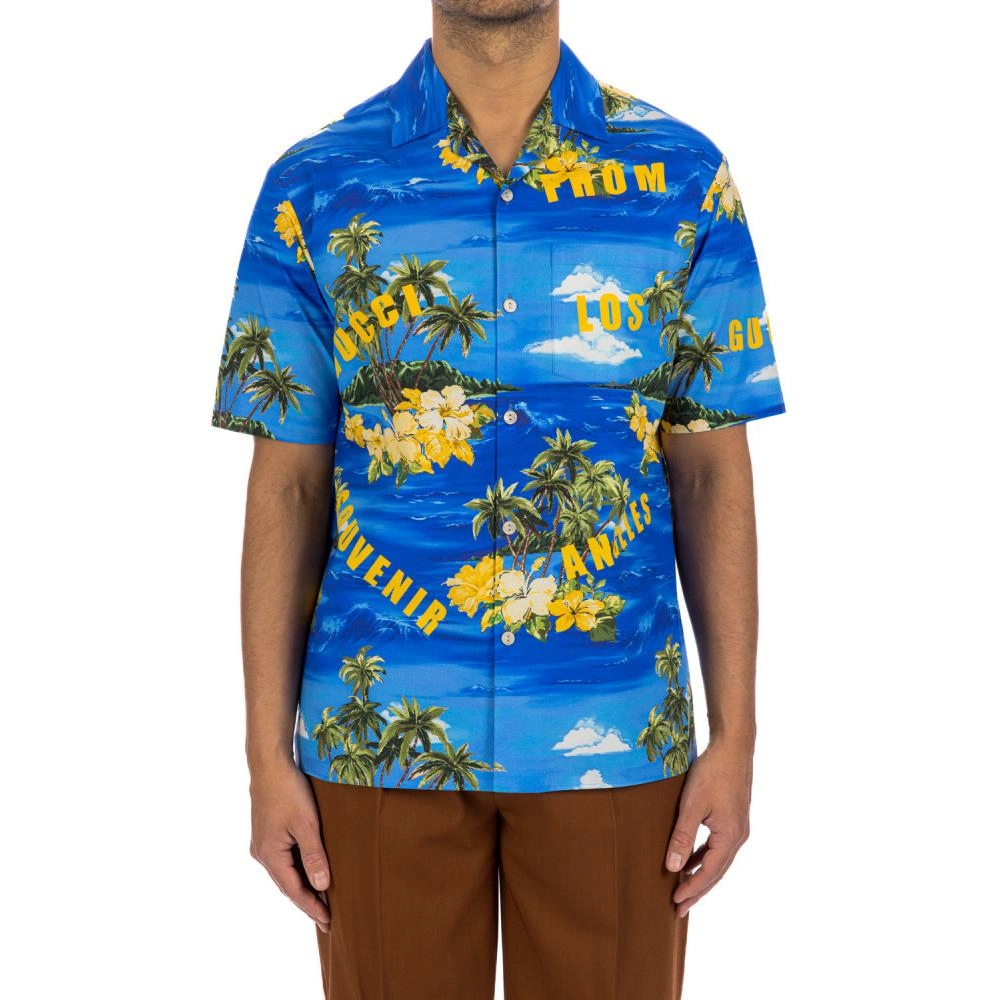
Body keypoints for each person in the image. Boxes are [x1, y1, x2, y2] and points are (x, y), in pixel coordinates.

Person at [210, 2, 786, 997]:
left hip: (614, 729)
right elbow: (287, 484)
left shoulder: (683, 176)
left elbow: (709, 470)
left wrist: (736, 740)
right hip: (379, 737)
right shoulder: (316, 183)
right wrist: (266, 758)